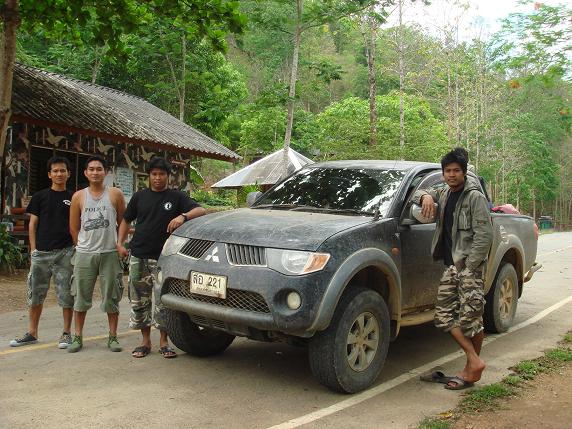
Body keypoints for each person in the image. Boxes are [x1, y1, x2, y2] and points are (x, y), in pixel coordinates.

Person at [414, 149, 493, 390]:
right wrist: (425, 197)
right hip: (451, 266)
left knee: (471, 320)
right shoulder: (445, 192)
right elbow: (418, 191)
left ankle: (470, 372)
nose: (451, 175)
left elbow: (484, 235)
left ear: (464, 171)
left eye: (456, 170)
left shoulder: (474, 197)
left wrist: (469, 267)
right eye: (447, 171)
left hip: (469, 268)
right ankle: (475, 361)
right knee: (443, 317)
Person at [117, 157, 206, 358]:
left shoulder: (176, 197)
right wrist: (120, 243)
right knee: (139, 301)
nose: (158, 178)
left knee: (163, 301)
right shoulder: (139, 197)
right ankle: (145, 341)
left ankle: (164, 342)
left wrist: (182, 216)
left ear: (168, 176)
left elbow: (200, 210)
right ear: (149, 176)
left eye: (162, 174)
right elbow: (125, 220)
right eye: (154, 174)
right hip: (138, 256)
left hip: (164, 259)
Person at [10, 156, 75, 348]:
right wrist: (33, 250)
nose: (59, 174)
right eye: (55, 171)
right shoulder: (40, 197)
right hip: (41, 253)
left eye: (62, 170)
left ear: (69, 174)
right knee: (35, 293)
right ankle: (32, 332)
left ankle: (66, 333)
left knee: (66, 294)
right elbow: (32, 224)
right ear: (49, 174)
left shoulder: (74, 198)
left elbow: (76, 225)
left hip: (65, 252)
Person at [67, 155, 126, 353]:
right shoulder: (78, 196)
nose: (95, 172)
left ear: (106, 172)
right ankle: (77, 336)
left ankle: (113, 337)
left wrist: (119, 244)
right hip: (84, 254)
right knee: (80, 296)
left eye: (99, 169)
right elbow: (74, 227)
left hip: (109, 253)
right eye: (91, 169)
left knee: (111, 296)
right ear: (85, 173)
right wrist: (81, 246)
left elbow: (123, 222)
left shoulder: (115, 194)